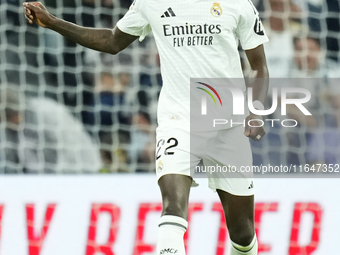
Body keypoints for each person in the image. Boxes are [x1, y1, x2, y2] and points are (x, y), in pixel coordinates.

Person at [23, 1, 269, 254]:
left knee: (242, 233)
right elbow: (112, 41)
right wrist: (53, 22)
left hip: (228, 126)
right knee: (173, 208)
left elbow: (259, 65)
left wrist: (256, 111)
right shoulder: (151, 3)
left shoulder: (237, 4)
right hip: (179, 122)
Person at [0, 86, 102, 174]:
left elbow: (62, 151)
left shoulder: (45, 114)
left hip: (79, 169)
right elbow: (9, 156)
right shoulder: (11, 126)